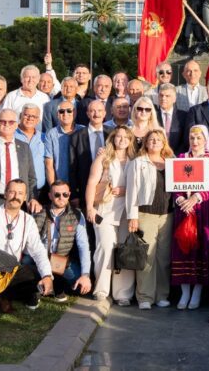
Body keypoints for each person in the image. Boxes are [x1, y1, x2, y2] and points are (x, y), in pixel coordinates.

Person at [0, 179, 54, 327]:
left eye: (20, 193)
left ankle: (4, 296)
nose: (16, 196)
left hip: (11, 268)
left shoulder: (28, 220)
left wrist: (47, 276)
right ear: (5, 194)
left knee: (36, 275)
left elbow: (38, 250)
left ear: (25, 197)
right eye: (12, 192)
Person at [85, 127, 136, 304]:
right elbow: (92, 183)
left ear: (130, 141)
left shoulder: (134, 160)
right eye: (118, 136)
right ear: (113, 138)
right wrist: (90, 207)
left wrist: (126, 190)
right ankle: (101, 290)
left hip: (127, 212)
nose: (121, 140)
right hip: (104, 210)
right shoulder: (103, 158)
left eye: (125, 137)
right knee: (105, 248)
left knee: (124, 251)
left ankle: (123, 294)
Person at [125, 128, 175, 309]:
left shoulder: (171, 162)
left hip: (167, 214)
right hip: (145, 214)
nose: (154, 142)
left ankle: (162, 294)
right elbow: (131, 191)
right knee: (146, 256)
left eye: (158, 139)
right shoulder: (138, 163)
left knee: (163, 257)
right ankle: (145, 296)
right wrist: (132, 216)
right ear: (145, 142)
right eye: (151, 139)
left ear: (164, 143)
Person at [172, 125, 209, 310]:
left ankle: (197, 292)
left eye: (199, 138)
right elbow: (174, 184)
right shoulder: (181, 158)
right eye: (192, 138)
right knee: (183, 248)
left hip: (203, 211)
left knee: (202, 247)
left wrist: (196, 197)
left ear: (205, 140)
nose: (195, 141)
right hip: (184, 210)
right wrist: (181, 199)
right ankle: (184, 292)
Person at [32, 180, 92, 301]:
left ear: (69, 194)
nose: (61, 198)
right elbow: (30, 241)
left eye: (65, 194)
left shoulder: (77, 215)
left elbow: (83, 246)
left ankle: (55, 284)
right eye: (57, 194)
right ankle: (43, 285)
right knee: (27, 262)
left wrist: (85, 275)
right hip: (40, 258)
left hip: (61, 261)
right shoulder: (39, 212)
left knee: (79, 288)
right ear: (50, 195)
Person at [0, 108, 38, 209]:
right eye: (3, 121)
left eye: (11, 122)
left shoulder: (24, 147)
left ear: (17, 124)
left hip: (20, 202)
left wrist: (32, 198)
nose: (7, 124)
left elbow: (31, 178)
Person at [70, 100, 108, 211]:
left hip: (108, 190)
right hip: (84, 188)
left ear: (105, 113)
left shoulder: (112, 134)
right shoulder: (77, 136)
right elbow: (72, 167)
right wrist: (74, 194)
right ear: (87, 114)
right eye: (92, 111)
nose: (96, 114)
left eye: (100, 111)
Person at [44, 99, 83, 188]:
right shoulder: (51, 134)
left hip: (80, 184)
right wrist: (53, 188)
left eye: (69, 111)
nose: (65, 114)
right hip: (60, 184)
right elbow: (49, 165)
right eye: (61, 111)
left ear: (75, 113)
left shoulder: (83, 131)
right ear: (57, 114)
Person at [13, 104, 47, 197]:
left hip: (40, 191)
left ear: (38, 120)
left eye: (34, 116)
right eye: (26, 115)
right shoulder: (11, 135)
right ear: (20, 116)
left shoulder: (44, 137)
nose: (30, 118)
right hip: (17, 191)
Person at [156, 83, 189, 154]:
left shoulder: (184, 116)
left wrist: (174, 156)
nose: (163, 98)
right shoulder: (152, 115)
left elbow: (185, 140)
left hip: (177, 157)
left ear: (174, 99)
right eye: (161, 95)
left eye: (167, 96)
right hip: (157, 157)